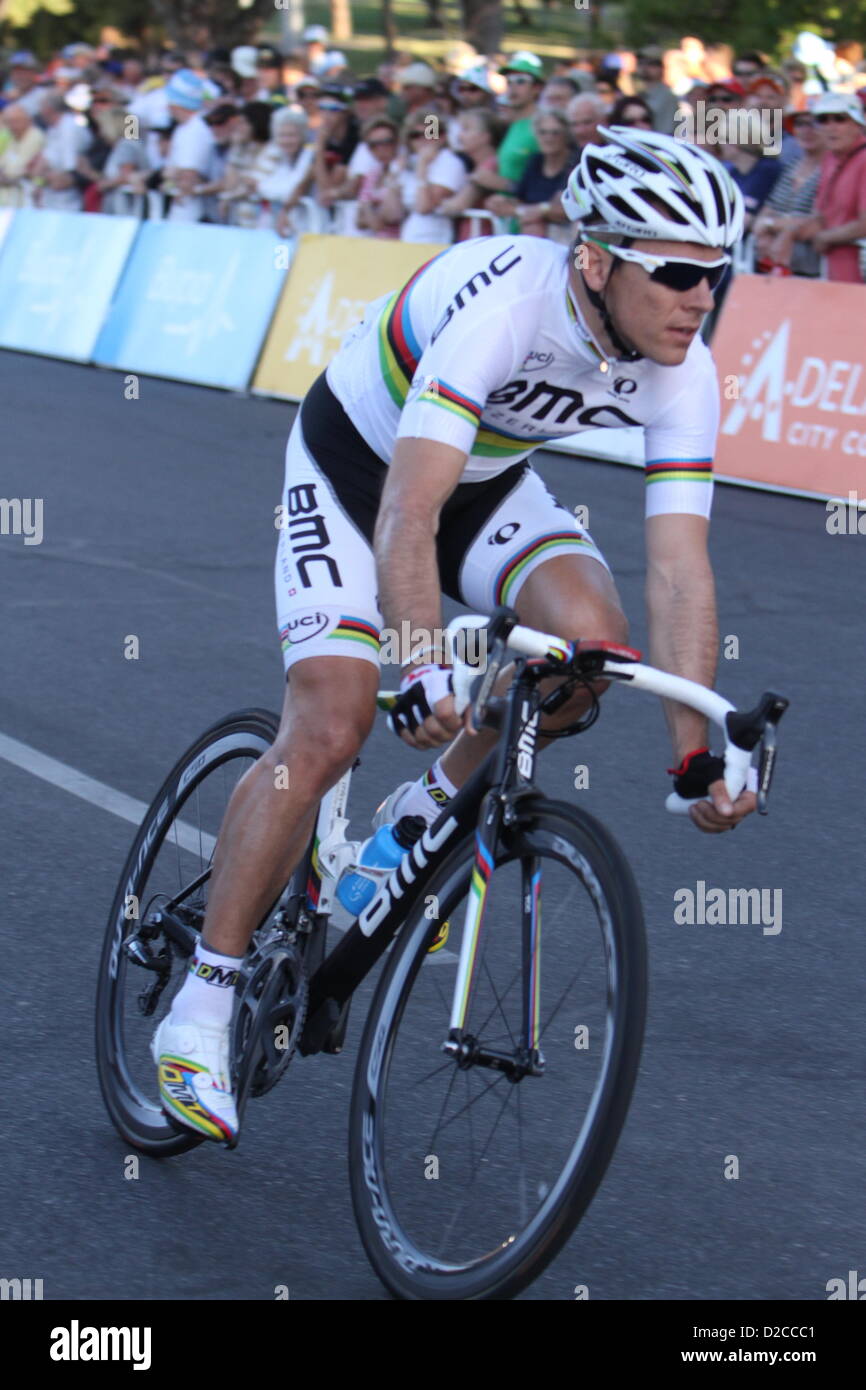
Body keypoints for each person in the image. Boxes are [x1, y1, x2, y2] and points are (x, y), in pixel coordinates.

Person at [150, 127, 754, 1144]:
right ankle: (201, 1003)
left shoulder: (680, 368)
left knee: (588, 654)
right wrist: (419, 660)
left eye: (718, 275)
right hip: (360, 477)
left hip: (484, 483)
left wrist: (694, 752)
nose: (701, 298)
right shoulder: (507, 307)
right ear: (596, 261)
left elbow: (676, 567)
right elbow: (406, 514)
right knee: (332, 724)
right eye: (679, 273)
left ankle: (409, 823)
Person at [798, 92, 866, 282]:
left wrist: (825, 237)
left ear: (858, 124)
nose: (831, 127)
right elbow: (821, 214)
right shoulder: (829, 158)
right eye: (823, 120)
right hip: (833, 270)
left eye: (840, 119)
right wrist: (785, 232)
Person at [752, 110, 824, 276]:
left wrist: (770, 225)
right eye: (800, 124)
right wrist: (764, 230)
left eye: (813, 123)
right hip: (773, 265)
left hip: (812, 268)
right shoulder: (791, 166)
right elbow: (765, 212)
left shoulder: (830, 170)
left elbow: (817, 220)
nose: (807, 130)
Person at [485, 107, 572, 238]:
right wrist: (503, 202)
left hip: (563, 234)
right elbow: (521, 200)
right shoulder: (535, 161)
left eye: (555, 133)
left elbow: (562, 209)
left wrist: (527, 210)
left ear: (566, 135)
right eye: (543, 132)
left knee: (533, 224)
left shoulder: (573, 163)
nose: (549, 138)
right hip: (530, 230)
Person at [252, 107, 315, 234]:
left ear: (302, 135)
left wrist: (265, 189)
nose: (287, 141)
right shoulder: (280, 158)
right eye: (282, 135)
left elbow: (288, 190)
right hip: (276, 227)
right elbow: (257, 187)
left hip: (304, 229)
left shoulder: (310, 157)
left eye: (292, 135)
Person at [0, 102, 44, 206]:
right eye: (9, 122)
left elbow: (21, 170)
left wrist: (6, 177)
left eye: (16, 121)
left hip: (27, 198)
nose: (12, 126)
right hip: (7, 200)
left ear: (27, 120)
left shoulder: (35, 136)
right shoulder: (11, 138)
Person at [636, 46, 679, 134]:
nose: (644, 67)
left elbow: (665, 132)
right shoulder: (641, 94)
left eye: (651, 64)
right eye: (640, 63)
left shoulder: (667, 97)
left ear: (661, 67)